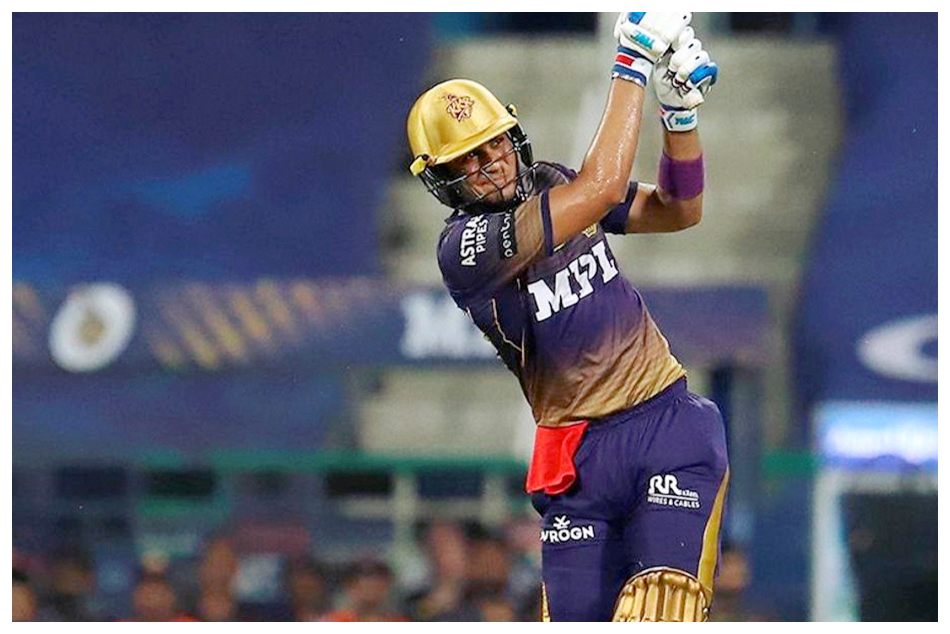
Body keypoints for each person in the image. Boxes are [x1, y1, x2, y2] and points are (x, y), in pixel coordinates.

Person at [406, 13, 728, 622]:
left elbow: (679, 210)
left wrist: (679, 117)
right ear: (442, 182)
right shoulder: (465, 249)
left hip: (665, 424)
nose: (491, 163)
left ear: (513, 136)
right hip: (576, 457)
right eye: (467, 161)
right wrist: (632, 62)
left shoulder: (550, 180)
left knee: (661, 608)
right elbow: (602, 188)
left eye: (494, 144)